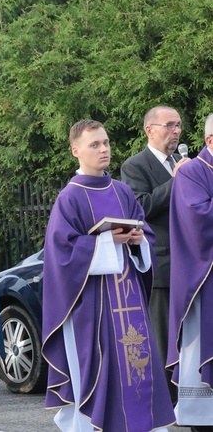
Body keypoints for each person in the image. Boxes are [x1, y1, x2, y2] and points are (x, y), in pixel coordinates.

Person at [43, 120, 175, 431]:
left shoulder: (123, 190)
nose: (103, 149)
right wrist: (104, 242)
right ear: (76, 151)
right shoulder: (70, 198)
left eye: (105, 143)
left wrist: (138, 241)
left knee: (138, 368)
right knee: (104, 372)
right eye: (94, 145)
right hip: (93, 304)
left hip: (128, 298)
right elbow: (61, 254)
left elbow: (147, 234)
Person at [121, 105, 189, 403]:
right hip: (162, 266)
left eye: (178, 126)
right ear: (150, 129)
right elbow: (141, 207)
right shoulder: (135, 166)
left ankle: (192, 394)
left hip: (191, 265)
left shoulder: (183, 161)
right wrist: (178, 181)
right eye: (169, 125)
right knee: (164, 338)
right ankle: (166, 401)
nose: (175, 131)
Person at [167, 113, 213, 429]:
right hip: (205, 281)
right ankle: (204, 420)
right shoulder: (192, 173)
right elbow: (199, 220)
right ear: (210, 141)